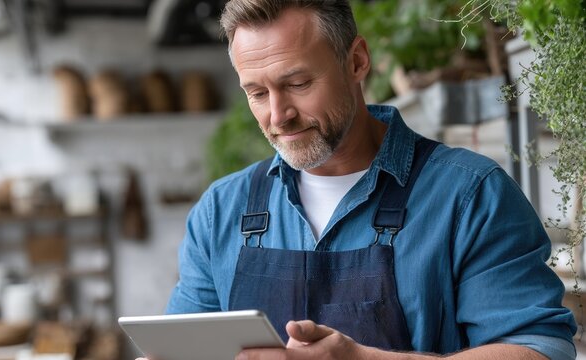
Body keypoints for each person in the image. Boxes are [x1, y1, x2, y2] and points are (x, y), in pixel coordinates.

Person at [164, 0, 577, 359]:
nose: (278, 115)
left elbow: (540, 349)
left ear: (357, 61)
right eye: (256, 93)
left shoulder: (470, 195)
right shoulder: (221, 211)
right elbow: (185, 348)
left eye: (298, 83)